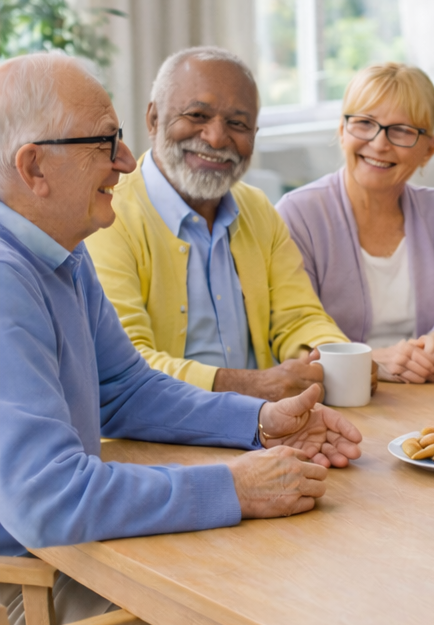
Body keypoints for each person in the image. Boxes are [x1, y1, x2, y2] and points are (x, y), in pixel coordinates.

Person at [0, 51, 362, 625]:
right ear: (32, 167)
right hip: (19, 595)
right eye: (104, 142)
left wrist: (259, 421)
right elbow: (47, 501)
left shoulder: (60, 254)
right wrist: (235, 487)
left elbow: (128, 390)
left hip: (54, 563)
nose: (127, 161)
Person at [85, 46, 347, 401]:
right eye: (197, 115)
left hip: (265, 426)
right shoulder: (107, 214)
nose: (217, 138)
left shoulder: (257, 208)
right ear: (153, 119)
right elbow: (124, 365)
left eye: (237, 124)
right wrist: (248, 385)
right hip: (160, 438)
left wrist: (328, 357)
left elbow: (299, 316)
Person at [277, 64, 434, 384]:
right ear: (342, 131)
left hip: (430, 390)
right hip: (337, 401)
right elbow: (294, 332)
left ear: (430, 149)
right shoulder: (298, 214)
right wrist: (369, 361)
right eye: (364, 123)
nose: (380, 143)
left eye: (401, 130)